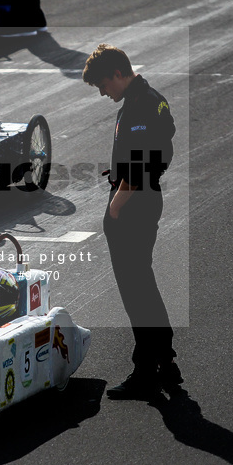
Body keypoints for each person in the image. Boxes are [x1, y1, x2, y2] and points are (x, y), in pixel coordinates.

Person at [82, 43, 183, 399]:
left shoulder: (138, 107)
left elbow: (140, 166)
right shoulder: (150, 98)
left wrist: (115, 206)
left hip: (133, 206)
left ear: (118, 74)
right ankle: (165, 360)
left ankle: (145, 372)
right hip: (145, 199)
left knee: (135, 291)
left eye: (103, 84)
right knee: (144, 284)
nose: (102, 92)